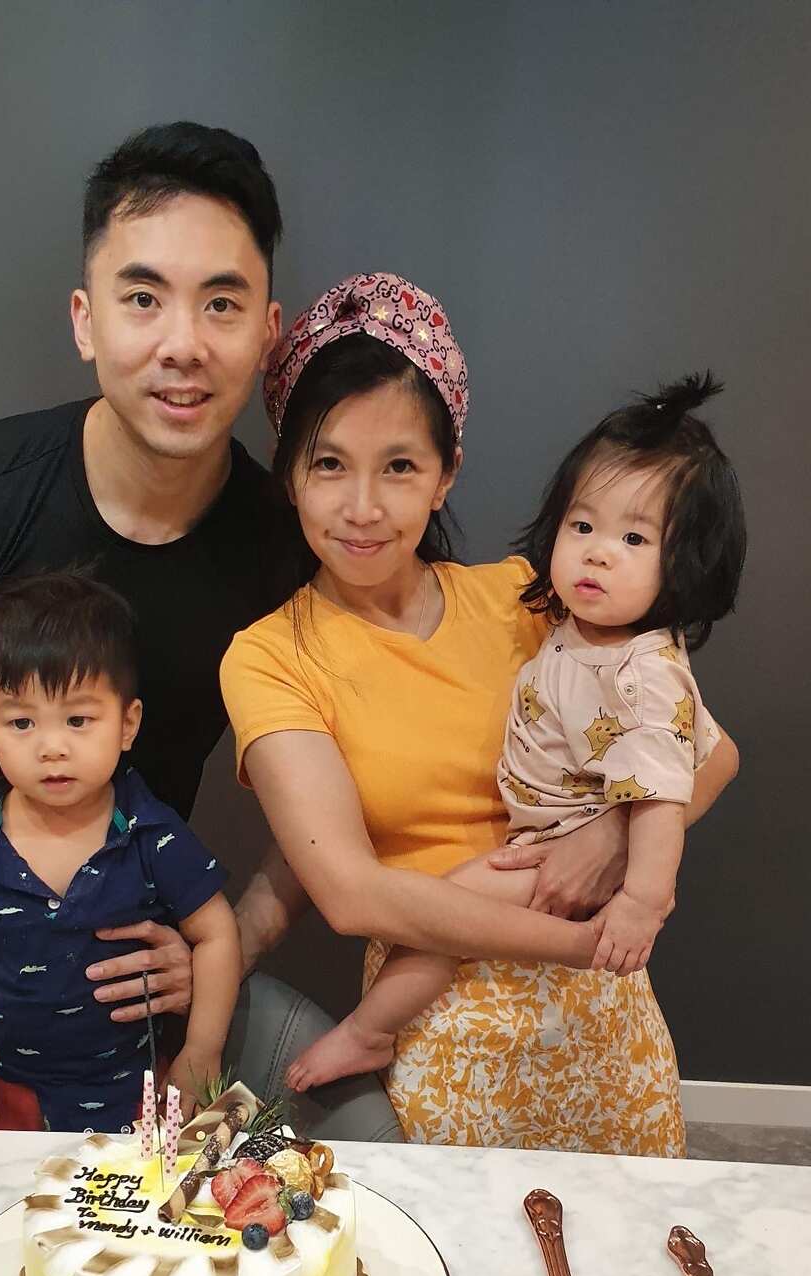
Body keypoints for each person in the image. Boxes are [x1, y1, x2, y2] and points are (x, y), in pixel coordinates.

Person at [221, 273, 739, 1152]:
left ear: (445, 472)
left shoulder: (533, 597)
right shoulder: (272, 655)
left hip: (599, 1008)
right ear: (290, 477)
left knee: (627, 1256)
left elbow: (711, 754)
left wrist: (605, 841)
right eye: (329, 464)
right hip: (443, 1006)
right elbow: (350, 894)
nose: (362, 508)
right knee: (464, 1265)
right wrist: (567, 935)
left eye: (400, 467)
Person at [0, 121, 295, 1048]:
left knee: (120, 1195)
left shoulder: (285, 551)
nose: (183, 343)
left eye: (222, 305)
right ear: (85, 320)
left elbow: (362, 775)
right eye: (143, 297)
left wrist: (226, 939)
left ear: (268, 333)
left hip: (126, 975)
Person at [0, 573, 241, 1130]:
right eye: (20, 722)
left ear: (127, 723)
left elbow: (217, 933)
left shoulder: (149, 831)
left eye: (79, 720)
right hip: (1, 1089)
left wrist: (200, 1052)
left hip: (132, 1096)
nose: (53, 746)